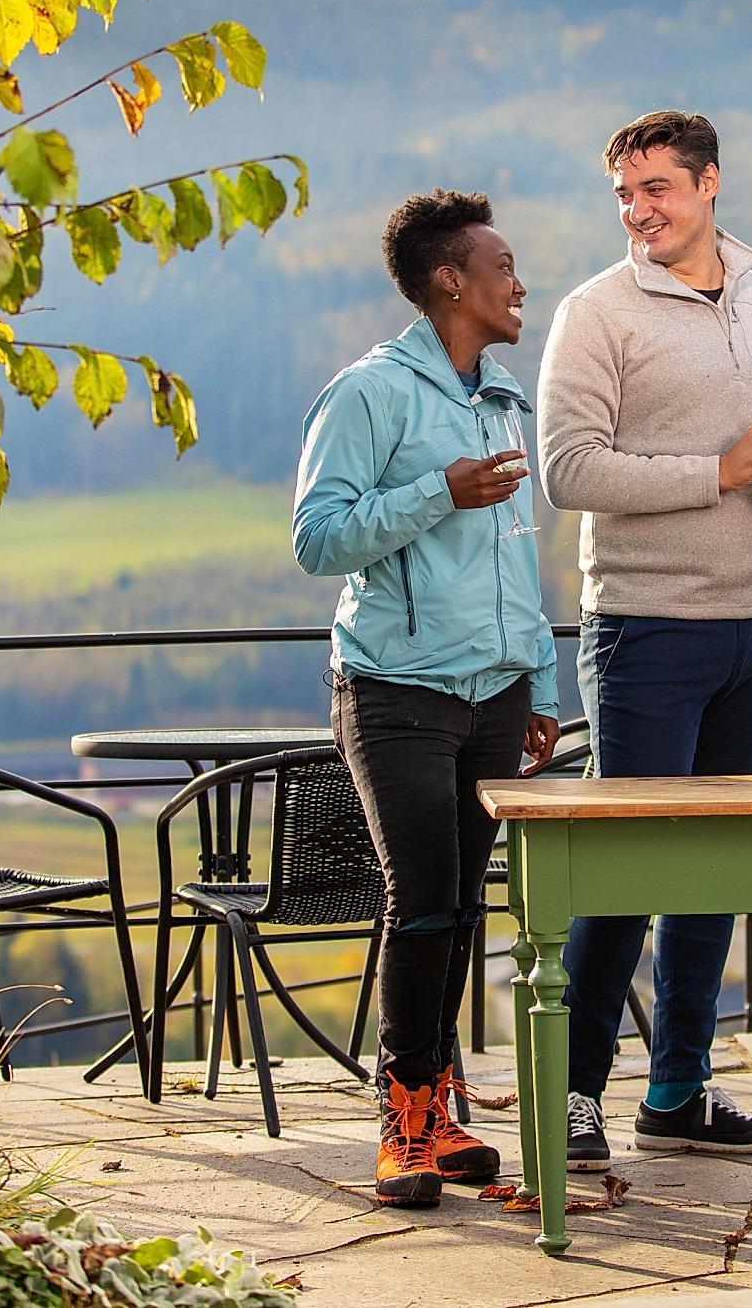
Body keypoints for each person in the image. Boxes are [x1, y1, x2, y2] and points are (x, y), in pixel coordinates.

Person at [537, 109, 752, 1170]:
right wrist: (721, 471)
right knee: (618, 874)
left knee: (709, 872)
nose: (637, 209)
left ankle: (679, 1089)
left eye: (656, 187)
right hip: (643, 629)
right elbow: (568, 470)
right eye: (623, 193)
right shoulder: (594, 313)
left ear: (708, 185)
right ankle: (570, 1093)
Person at [292, 190, 562, 1210]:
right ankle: (400, 1117)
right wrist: (435, 491)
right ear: (450, 280)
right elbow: (318, 538)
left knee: (459, 911)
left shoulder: (499, 393)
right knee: (422, 904)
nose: (517, 281)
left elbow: (516, 553)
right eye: (501, 264)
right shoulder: (367, 393)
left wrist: (531, 675)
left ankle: (442, 1104)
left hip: (493, 692)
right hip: (394, 688)